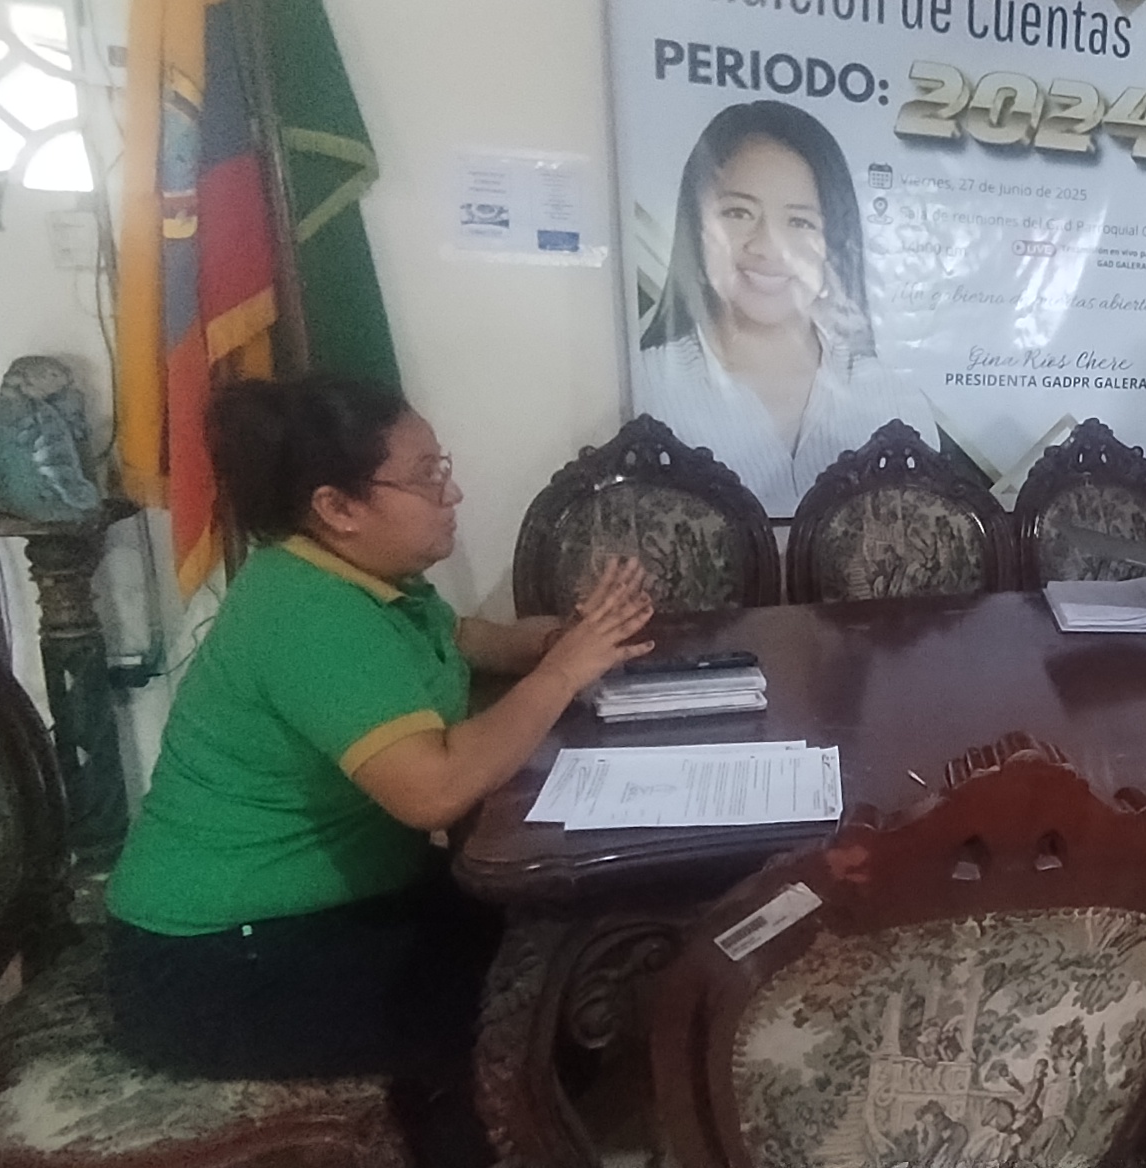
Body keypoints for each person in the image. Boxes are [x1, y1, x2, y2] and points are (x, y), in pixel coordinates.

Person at [104, 376, 658, 1167]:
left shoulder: (366, 580)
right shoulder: (307, 613)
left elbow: (463, 640)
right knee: (513, 1008)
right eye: (427, 477)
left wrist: (562, 639)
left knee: (554, 935)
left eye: (443, 467)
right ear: (338, 507)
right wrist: (564, 671)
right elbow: (433, 790)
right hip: (215, 963)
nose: (452, 493)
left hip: (322, 911)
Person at [630, 99, 936, 516]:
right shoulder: (641, 391)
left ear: (835, 243)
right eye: (738, 213)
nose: (768, 247)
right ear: (695, 227)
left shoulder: (897, 404)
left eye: (799, 222)